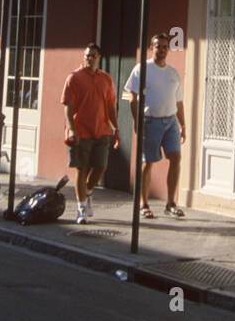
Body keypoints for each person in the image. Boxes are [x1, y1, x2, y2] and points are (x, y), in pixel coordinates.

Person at [124, 32, 186, 218]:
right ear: (152, 48)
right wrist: (137, 120)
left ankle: (171, 203)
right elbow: (132, 97)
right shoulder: (141, 69)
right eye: (158, 46)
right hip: (150, 121)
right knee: (148, 163)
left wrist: (183, 125)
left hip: (170, 122)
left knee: (175, 158)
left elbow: (179, 102)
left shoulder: (173, 73)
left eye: (165, 47)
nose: (162, 50)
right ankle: (144, 204)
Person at [61, 43, 120, 224]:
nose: (90, 58)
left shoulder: (106, 79)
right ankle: (81, 209)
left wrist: (115, 128)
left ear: (99, 58)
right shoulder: (74, 78)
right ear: (83, 56)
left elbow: (111, 106)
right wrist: (72, 129)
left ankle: (87, 192)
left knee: (101, 166)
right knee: (82, 168)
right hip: (81, 130)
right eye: (87, 55)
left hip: (101, 130)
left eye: (93, 56)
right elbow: (67, 106)